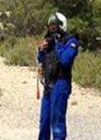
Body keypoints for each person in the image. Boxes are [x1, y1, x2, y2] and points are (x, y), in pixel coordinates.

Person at [37, 11, 79, 140]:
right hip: (48, 84)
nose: (52, 29)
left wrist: (58, 44)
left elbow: (65, 60)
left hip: (61, 83)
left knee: (57, 120)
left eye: (55, 26)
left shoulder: (71, 41)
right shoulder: (49, 42)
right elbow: (41, 60)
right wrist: (41, 50)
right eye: (51, 26)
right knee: (44, 121)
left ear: (62, 26)